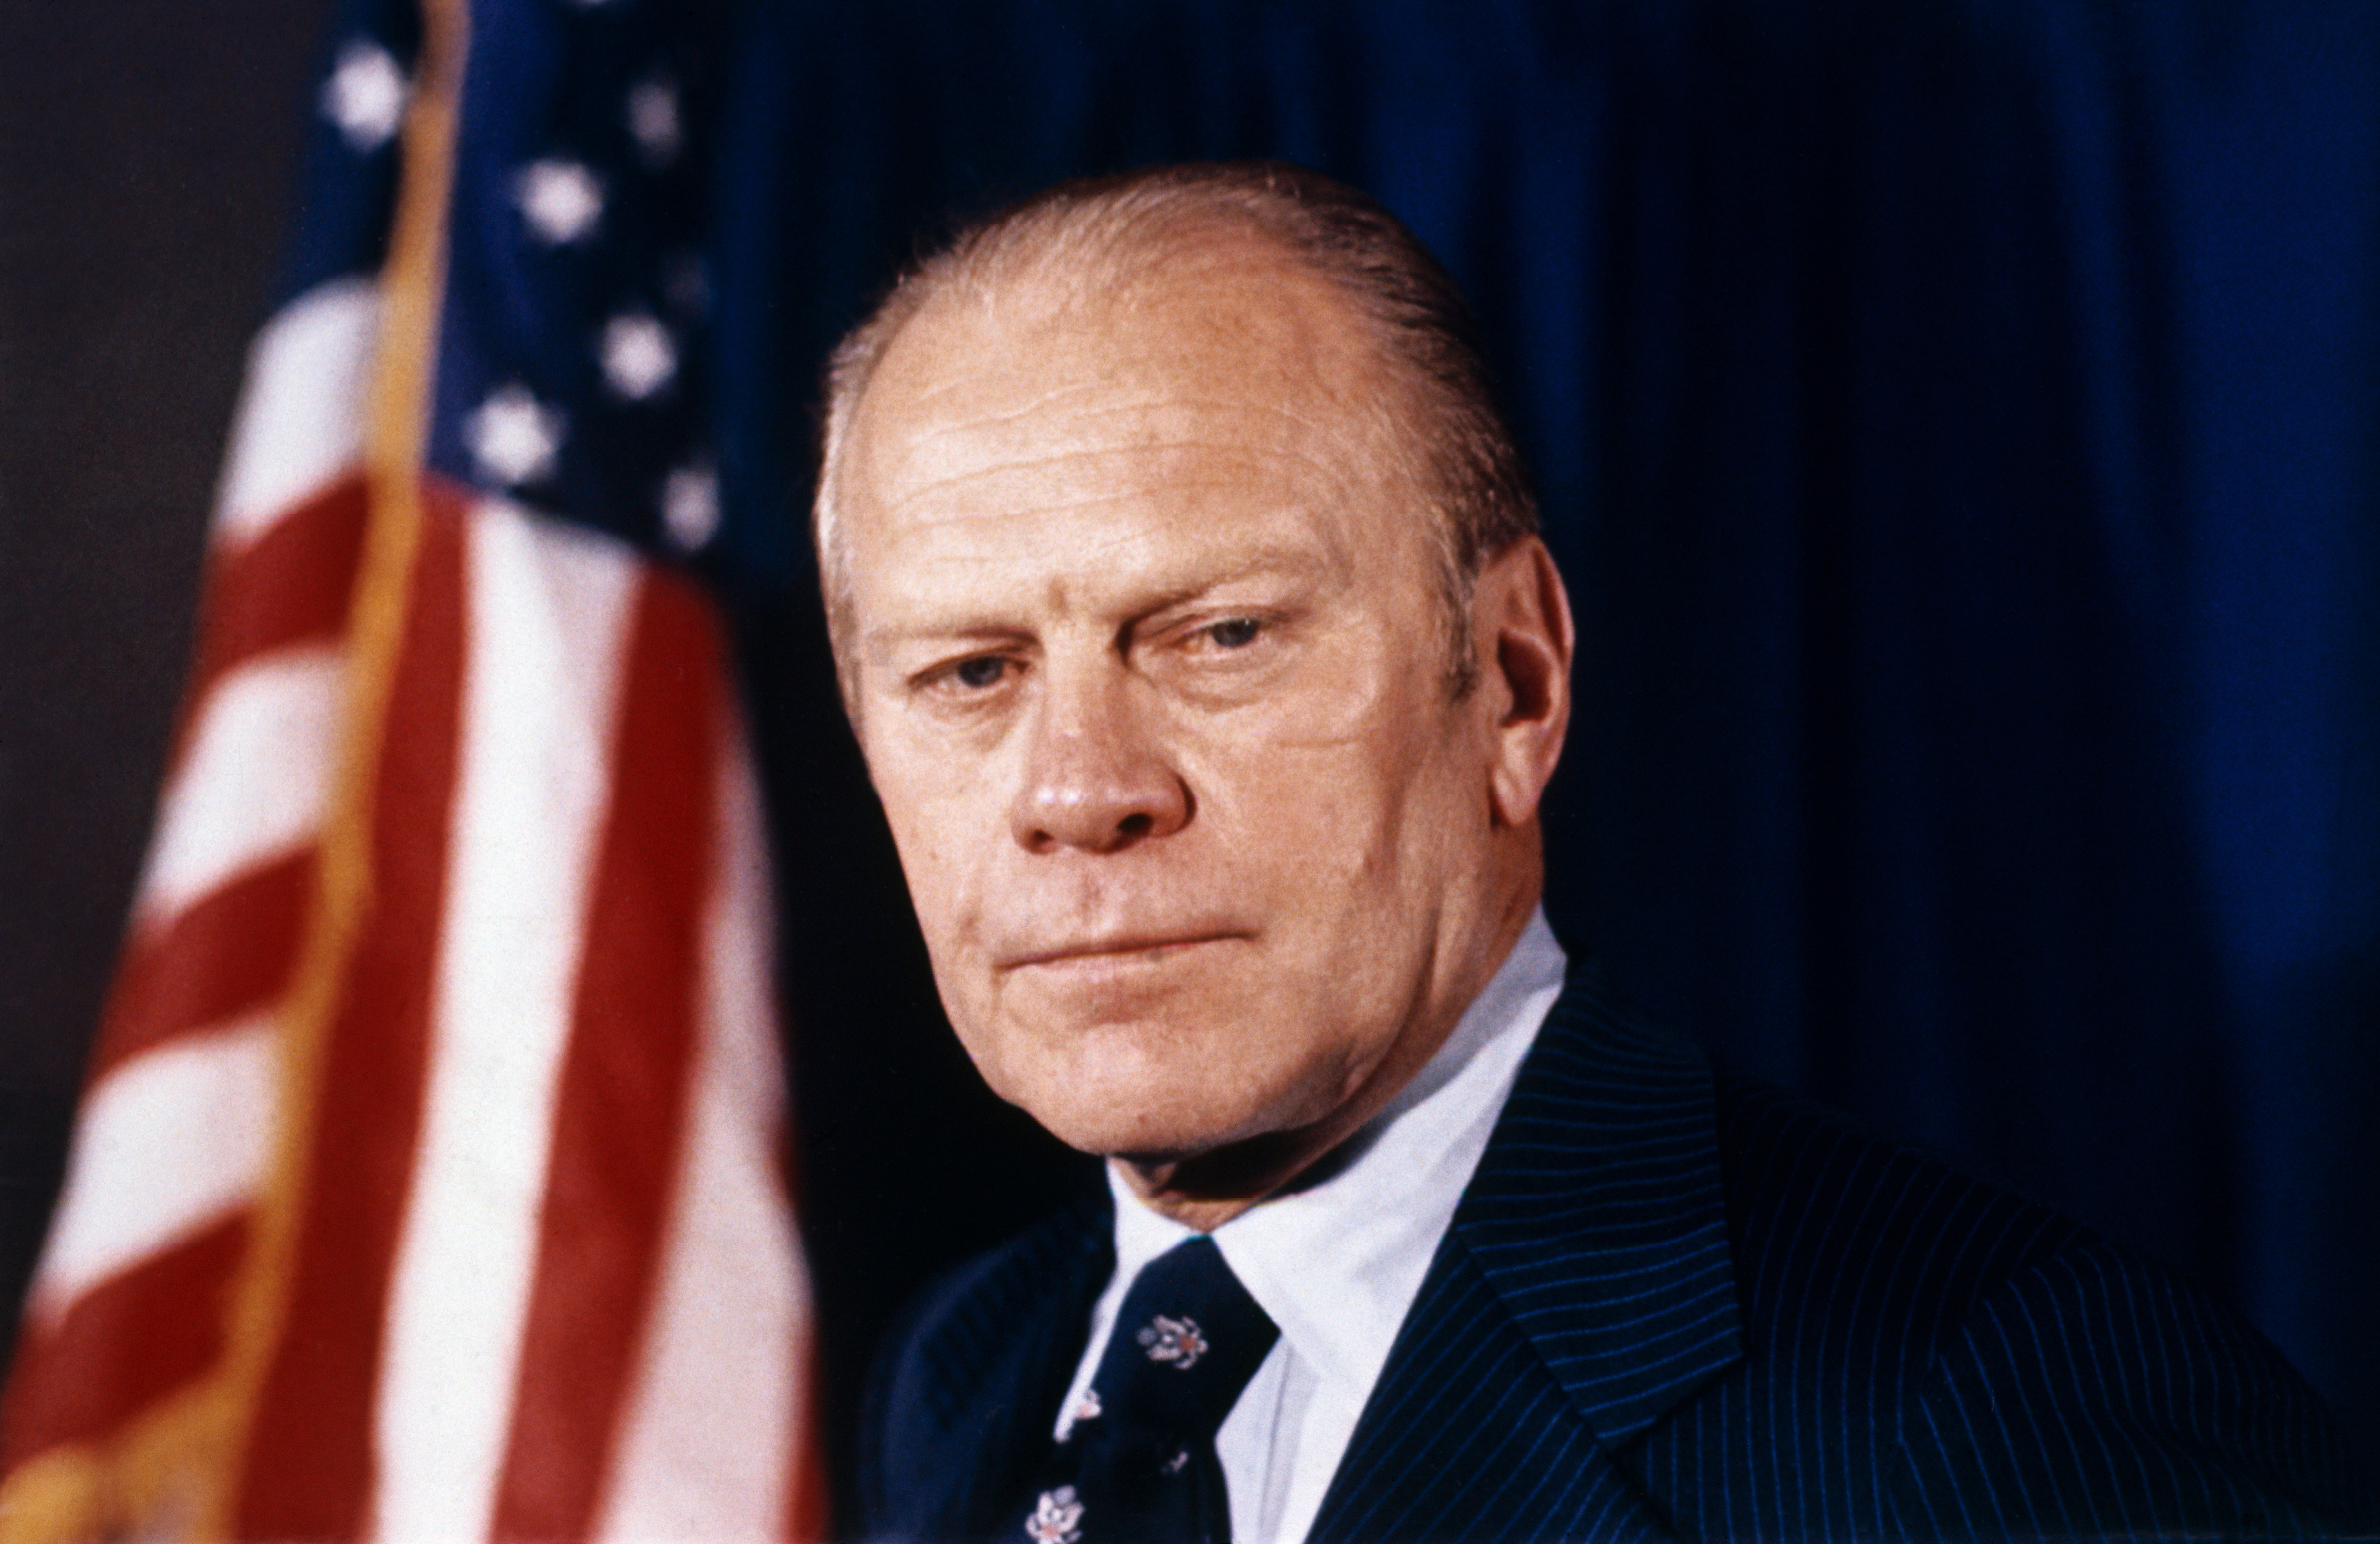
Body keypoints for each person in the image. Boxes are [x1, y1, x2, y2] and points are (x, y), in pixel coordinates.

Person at [810, 161, 2372, 1543]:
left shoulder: (1991, 1416)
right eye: (971, 671)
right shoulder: (968, 1373)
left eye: (1224, 634)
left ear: (1513, 684)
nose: (1080, 791)